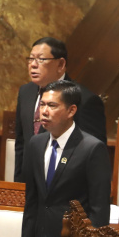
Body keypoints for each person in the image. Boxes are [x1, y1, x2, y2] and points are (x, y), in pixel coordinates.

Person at [20, 79, 110, 237]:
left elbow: (99, 208)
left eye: (52, 105)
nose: (44, 111)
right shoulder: (36, 144)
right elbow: (32, 202)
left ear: (71, 111)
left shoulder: (91, 148)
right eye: (42, 105)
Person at [13, 37, 107, 182]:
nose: (33, 65)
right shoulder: (26, 92)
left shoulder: (84, 100)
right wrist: (18, 186)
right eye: (30, 59)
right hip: (29, 188)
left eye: (41, 59)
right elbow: (21, 144)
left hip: (66, 191)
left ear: (61, 64)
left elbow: (95, 156)